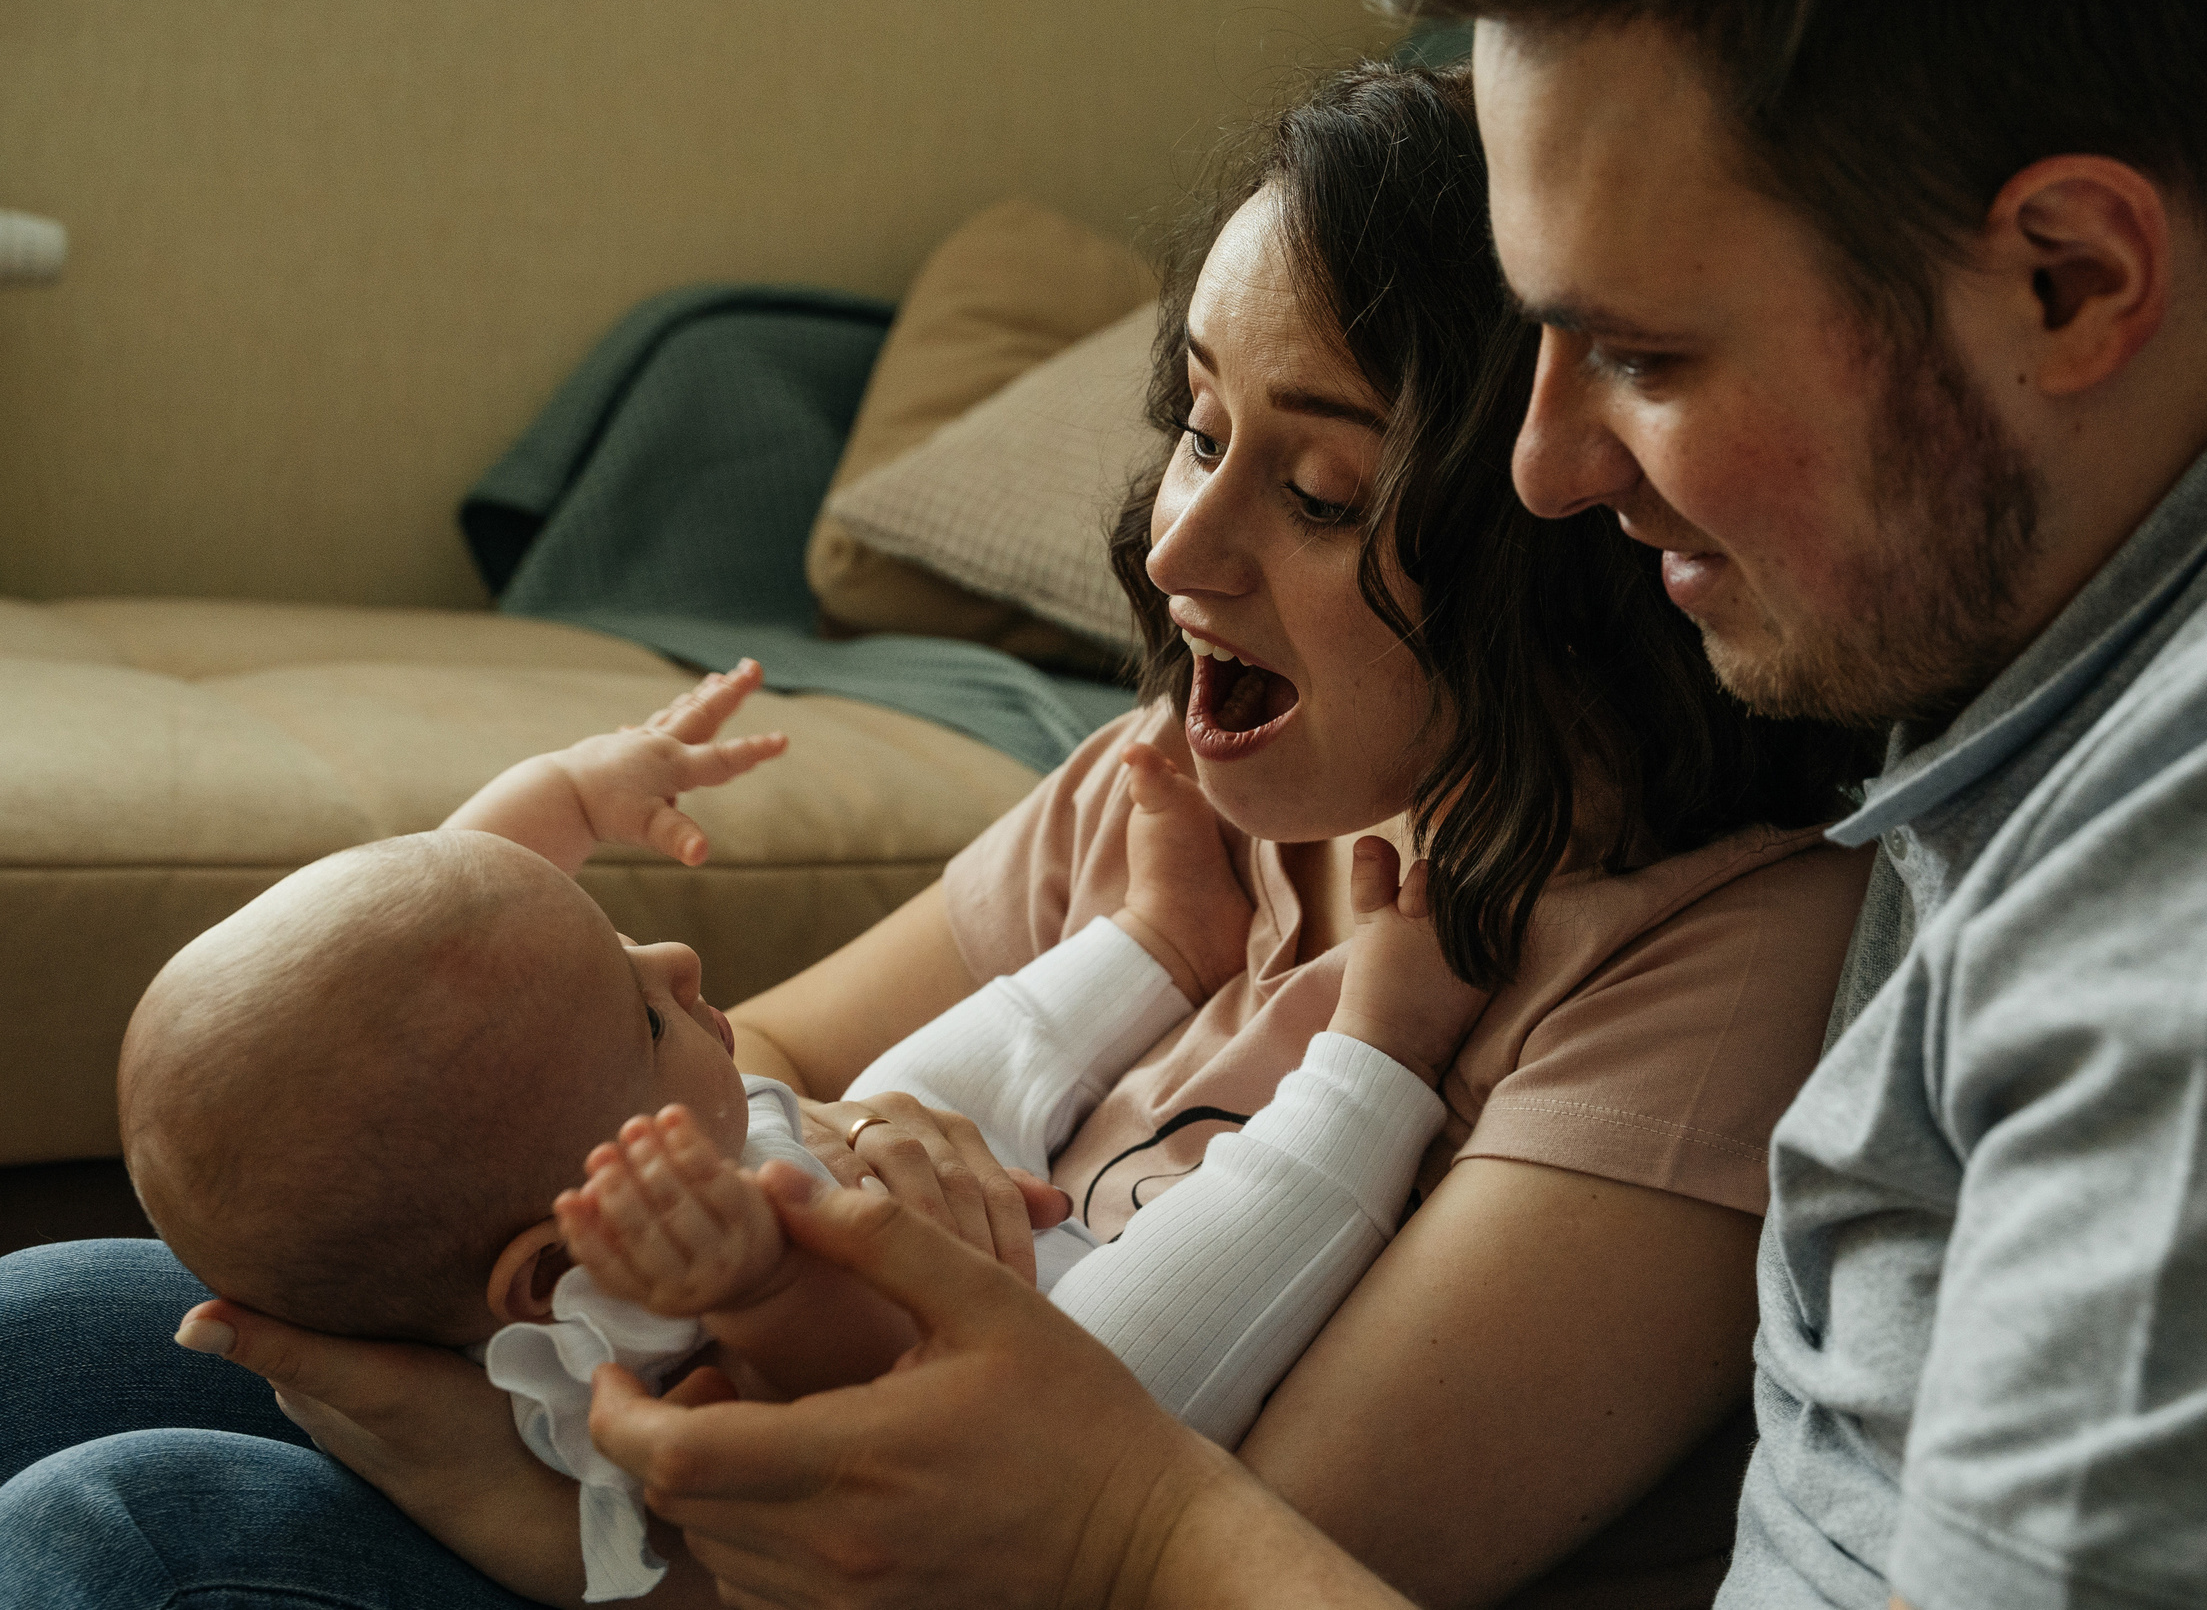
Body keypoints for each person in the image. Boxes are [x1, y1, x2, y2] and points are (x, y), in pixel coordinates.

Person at [495, 0, 2207, 1606]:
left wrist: (1121, 1523)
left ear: (2068, 276)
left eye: (1644, 356)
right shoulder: (2093, 668)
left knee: (172, 1520)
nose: (1549, 472)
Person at [0, 60, 1879, 1608]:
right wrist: (829, 1188)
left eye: (1316, 492)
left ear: (1564, 530)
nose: (1173, 553)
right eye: (1200, 431)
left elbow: (1222, 1554)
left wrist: (522, 1483)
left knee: (123, 1527)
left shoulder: (1708, 973)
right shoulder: (1177, 792)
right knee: (61, 1324)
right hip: (701, 1451)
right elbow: (725, 1074)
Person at [115, 655, 1486, 1602]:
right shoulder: (631, 1339)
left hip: (908, 1240)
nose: (679, 964)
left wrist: (575, 796)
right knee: (1121, 1341)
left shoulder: (582, 1170)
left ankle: (1156, 943)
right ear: (557, 1280)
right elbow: (903, 1421)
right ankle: (1375, 1065)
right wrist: (764, 1287)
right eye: (642, 1015)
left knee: (914, 1100)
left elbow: (446, 946)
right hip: (1018, 1448)